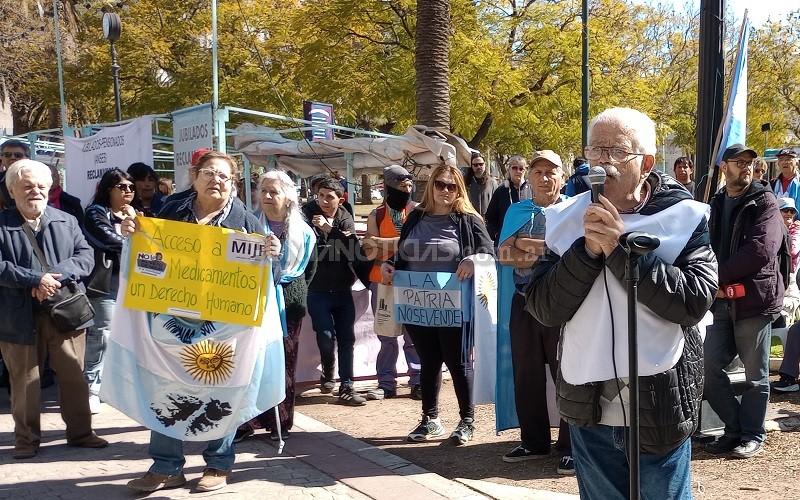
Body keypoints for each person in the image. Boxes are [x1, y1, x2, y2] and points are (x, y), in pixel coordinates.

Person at [527, 108, 717, 498]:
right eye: (595, 150)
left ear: (646, 163)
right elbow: (543, 307)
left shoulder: (683, 217)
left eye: (616, 151)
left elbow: (693, 302)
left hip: (659, 401)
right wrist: (586, 252)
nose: (602, 161)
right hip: (588, 401)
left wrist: (621, 250)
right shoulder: (563, 218)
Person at [124, 151, 280, 493]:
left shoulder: (248, 225)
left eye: (224, 177)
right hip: (174, 323)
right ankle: (166, 467)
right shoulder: (169, 214)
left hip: (225, 328)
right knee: (165, 389)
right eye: (209, 173)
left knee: (222, 391)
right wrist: (134, 235)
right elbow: (150, 261)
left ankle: (218, 465)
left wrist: (273, 257)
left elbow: (269, 280)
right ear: (194, 177)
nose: (216, 181)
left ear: (234, 185)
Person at [0, 159, 108, 459]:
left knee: (73, 375)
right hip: (17, 316)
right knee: (24, 380)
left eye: (41, 186)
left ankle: (81, 433)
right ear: (11, 190)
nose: (35, 191)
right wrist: (34, 279)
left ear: (50, 188)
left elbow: (86, 257)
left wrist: (53, 279)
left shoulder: (67, 220)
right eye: (27, 186)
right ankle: (26, 439)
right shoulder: (1, 224)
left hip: (65, 310)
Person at [381, 165, 494, 446]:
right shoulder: (416, 216)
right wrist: (390, 265)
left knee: (458, 362)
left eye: (452, 186)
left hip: (454, 305)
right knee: (428, 361)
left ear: (460, 190)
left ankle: (467, 420)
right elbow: (402, 252)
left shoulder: (468, 220)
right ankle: (430, 419)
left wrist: (473, 261)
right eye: (440, 184)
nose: (445, 190)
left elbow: (489, 254)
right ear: (430, 185)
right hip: (417, 303)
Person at [705, 143, 785, 459]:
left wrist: (715, 279)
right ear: (724, 167)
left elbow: (760, 251)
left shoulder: (765, 202)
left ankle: (752, 434)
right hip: (719, 302)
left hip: (753, 301)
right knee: (708, 368)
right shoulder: (715, 202)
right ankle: (735, 428)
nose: (746, 167)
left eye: (750, 162)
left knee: (756, 377)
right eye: (739, 162)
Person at [496, 150, 572, 474]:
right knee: (525, 373)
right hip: (523, 302)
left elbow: (572, 254)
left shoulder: (572, 210)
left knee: (567, 374)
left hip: (561, 304)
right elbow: (503, 253)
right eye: (538, 171)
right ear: (528, 177)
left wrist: (526, 246)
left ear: (562, 178)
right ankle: (534, 441)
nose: (544, 177)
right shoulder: (516, 210)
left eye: (551, 172)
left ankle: (571, 445)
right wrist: (544, 248)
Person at [235, 170, 316, 442]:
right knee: (249, 361)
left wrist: (285, 286)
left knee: (284, 362)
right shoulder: (247, 225)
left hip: (288, 306)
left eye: (274, 192)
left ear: (288, 197)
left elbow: (308, 269)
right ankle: (245, 422)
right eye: (264, 191)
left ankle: (280, 421)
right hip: (251, 301)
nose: (268, 196)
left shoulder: (304, 233)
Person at [303, 177, 369, 406]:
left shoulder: (344, 217)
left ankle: (347, 385)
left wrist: (328, 229)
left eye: (329, 197)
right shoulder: (306, 214)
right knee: (325, 336)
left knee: (347, 339)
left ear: (340, 199)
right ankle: (328, 371)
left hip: (343, 289)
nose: (323, 201)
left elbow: (352, 248)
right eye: (320, 195)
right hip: (316, 289)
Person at [361, 165, 422, 400]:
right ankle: (386, 382)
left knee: (413, 334)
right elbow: (368, 251)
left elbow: (415, 246)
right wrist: (394, 242)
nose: (406, 189)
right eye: (401, 185)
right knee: (386, 335)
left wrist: (379, 241)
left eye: (409, 185)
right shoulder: (376, 214)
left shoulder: (418, 211)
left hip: (411, 279)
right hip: (382, 282)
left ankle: (418, 380)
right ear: (389, 186)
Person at [82, 168, 136, 413]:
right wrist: (129, 238)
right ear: (107, 189)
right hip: (104, 285)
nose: (128, 191)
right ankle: (91, 386)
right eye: (122, 187)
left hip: (132, 285)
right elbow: (106, 240)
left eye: (131, 187)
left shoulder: (133, 214)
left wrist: (135, 221)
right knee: (101, 334)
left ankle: (113, 387)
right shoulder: (95, 212)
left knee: (125, 336)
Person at [485, 155, 529, 244]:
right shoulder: (501, 191)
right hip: (505, 239)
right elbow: (490, 217)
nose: (518, 171)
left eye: (521, 169)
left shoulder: (531, 190)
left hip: (527, 238)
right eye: (514, 168)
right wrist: (496, 233)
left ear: (525, 171)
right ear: (509, 169)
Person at [465, 152, 497, 219]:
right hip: (470, 220)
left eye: (481, 164)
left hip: (488, 221)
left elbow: (497, 203)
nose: (479, 167)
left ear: (485, 164)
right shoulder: (465, 182)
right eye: (475, 165)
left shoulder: (492, 182)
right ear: (472, 166)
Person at [0, 139, 30, 209]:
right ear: (1, 158)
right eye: (7, 155)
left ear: (27, 158)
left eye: (18, 155)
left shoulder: (38, 180)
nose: (12, 157)